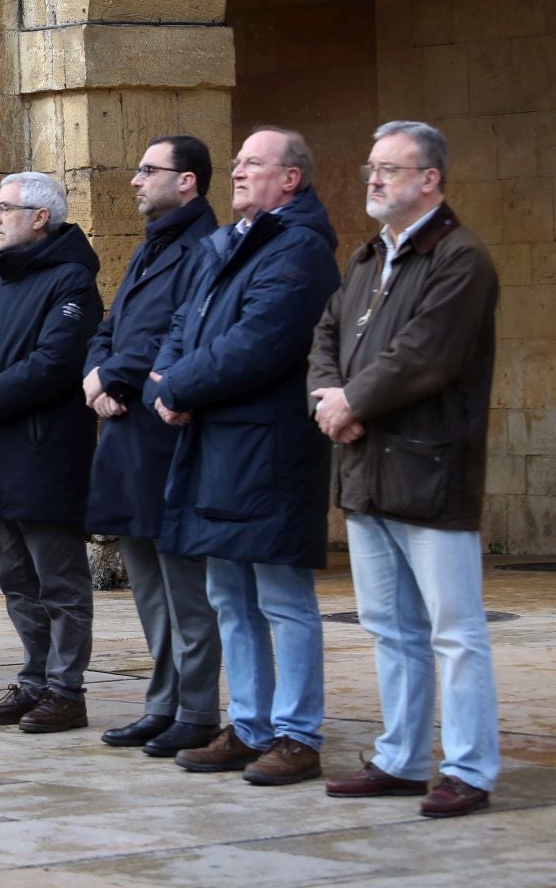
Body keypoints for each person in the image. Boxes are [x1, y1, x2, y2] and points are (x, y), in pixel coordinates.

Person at [312, 122, 500, 818]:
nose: (375, 179)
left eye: (391, 168)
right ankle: (400, 758)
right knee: (390, 627)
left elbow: (427, 355)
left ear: (431, 179)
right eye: (372, 167)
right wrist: (329, 400)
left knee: (455, 630)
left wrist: (352, 402)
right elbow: (327, 333)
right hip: (365, 470)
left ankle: (470, 769)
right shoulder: (367, 259)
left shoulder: (461, 257)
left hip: (431, 473)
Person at [149, 127, 340, 786]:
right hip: (214, 442)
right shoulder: (224, 244)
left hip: (269, 446)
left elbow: (262, 341)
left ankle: (298, 733)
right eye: (236, 163)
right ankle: (250, 725)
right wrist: (167, 378)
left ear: (291, 178)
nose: (237, 172)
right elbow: (183, 324)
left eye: (253, 164)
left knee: (282, 595)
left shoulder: (301, 249)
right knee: (228, 594)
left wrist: (178, 386)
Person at [0, 171, 103, 733]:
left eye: (3, 208)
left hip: (46, 453)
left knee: (58, 581)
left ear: (41, 217)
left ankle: (67, 689)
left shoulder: (72, 283)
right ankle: (35, 678)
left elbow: (53, 364)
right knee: (16, 578)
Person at [84, 137, 223, 757]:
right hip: (124, 427)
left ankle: (196, 708)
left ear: (187, 181)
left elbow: (180, 330)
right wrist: (95, 375)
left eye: (148, 170)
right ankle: (161, 702)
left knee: (183, 585)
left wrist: (115, 378)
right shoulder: (154, 242)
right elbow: (112, 326)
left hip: (165, 430)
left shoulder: (203, 246)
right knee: (145, 581)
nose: (135, 181)